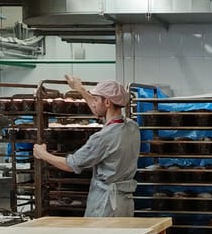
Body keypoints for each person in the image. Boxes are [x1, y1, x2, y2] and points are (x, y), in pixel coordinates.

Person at [33, 77, 140, 217]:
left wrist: (43, 154)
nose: (93, 103)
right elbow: (100, 111)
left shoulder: (102, 138)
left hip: (106, 204)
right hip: (124, 202)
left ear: (107, 102)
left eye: (96, 99)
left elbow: (71, 164)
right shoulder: (132, 126)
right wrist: (80, 89)